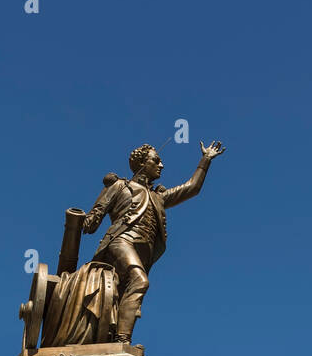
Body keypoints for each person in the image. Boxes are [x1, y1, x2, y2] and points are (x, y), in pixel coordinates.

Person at [82, 140, 225, 343]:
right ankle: (124, 341)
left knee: (121, 295)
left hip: (142, 254)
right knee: (140, 281)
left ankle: (112, 340)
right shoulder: (120, 186)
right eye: (156, 160)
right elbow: (92, 220)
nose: (162, 165)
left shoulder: (159, 198)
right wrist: (80, 222)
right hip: (120, 242)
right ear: (142, 163)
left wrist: (206, 160)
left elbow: (192, 188)